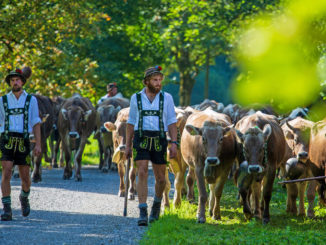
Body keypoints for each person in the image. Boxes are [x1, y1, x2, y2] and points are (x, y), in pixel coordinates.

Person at [125, 65, 178, 226]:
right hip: (140, 138)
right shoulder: (136, 97)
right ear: (147, 81)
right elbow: (131, 122)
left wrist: (174, 143)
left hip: (160, 138)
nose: (158, 83)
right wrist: (127, 145)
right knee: (141, 172)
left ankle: (156, 205)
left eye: (160, 80)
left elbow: (171, 121)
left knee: (161, 178)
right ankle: (142, 210)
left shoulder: (167, 98)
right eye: (155, 80)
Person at [0, 67, 41, 221]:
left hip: (24, 140)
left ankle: (24, 197)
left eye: (17, 79)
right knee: (7, 172)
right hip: (6, 139)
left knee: (25, 177)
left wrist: (38, 144)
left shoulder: (31, 100)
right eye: (12, 80)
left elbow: (36, 122)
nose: (14, 82)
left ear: (22, 82)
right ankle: (7, 209)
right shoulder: (3, 100)